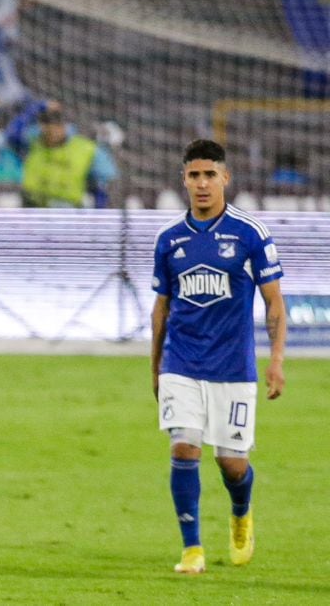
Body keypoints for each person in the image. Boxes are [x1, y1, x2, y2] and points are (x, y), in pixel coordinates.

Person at [151, 138, 286, 574]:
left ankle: (241, 511)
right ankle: (192, 549)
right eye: (194, 175)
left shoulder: (250, 234)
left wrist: (277, 361)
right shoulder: (169, 240)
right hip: (182, 362)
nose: (202, 183)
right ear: (184, 180)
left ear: (226, 177)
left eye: (210, 174)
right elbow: (161, 310)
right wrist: (155, 367)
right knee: (184, 445)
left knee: (231, 462)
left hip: (233, 367)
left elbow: (275, 305)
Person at [19, 103, 113, 208]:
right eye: (46, 125)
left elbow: (107, 178)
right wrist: (39, 107)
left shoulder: (86, 148)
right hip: (32, 205)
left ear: (64, 126)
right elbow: (12, 135)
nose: (52, 131)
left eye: (56, 125)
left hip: (67, 207)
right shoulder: (33, 142)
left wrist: (98, 209)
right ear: (41, 127)